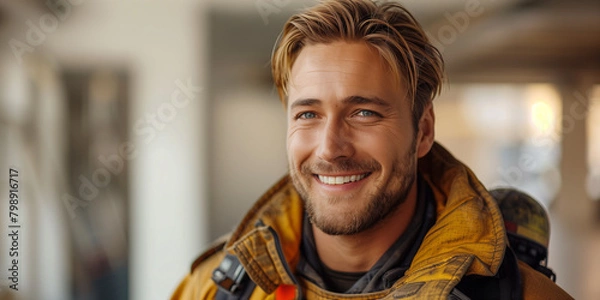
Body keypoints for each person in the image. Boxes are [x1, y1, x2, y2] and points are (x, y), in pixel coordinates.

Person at [172, 0, 573, 299]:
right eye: (308, 115)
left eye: (363, 112)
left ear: (423, 132)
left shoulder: (524, 295)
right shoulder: (214, 287)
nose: (330, 148)